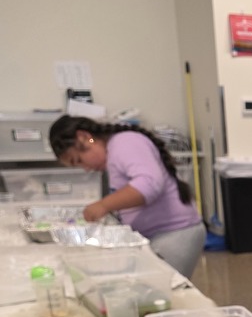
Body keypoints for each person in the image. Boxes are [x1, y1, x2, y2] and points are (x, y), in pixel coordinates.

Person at [49, 115, 206, 278]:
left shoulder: (125, 143)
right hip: (160, 234)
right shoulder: (115, 151)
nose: (86, 169)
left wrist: (103, 205)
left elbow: (149, 185)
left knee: (163, 293)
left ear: (85, 138)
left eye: (79, 160)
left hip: (174, 233)